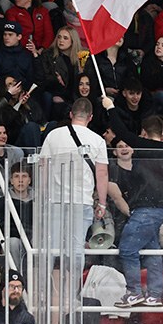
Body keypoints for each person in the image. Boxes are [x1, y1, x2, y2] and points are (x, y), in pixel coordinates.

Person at [105, 100, 163, 308]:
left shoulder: (145, 146)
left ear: (145, 133)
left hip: (145, 210)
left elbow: (121, 131)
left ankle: (134, 292)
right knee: (152, 251)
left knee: (127, 249)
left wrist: (110, 107)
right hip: (158, 208)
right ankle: (154, 295)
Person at [38, 98, 110, 251]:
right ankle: (75, 269)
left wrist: (42, 196)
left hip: (55, 199)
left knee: (53, 247)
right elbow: (102, 173)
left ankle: (53, 268)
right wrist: (102, 203)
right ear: (90, 117)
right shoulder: (98, 140)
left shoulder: (53, 135)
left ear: (71, 114)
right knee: (77, 249)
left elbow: (43, 168)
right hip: (82, 200)